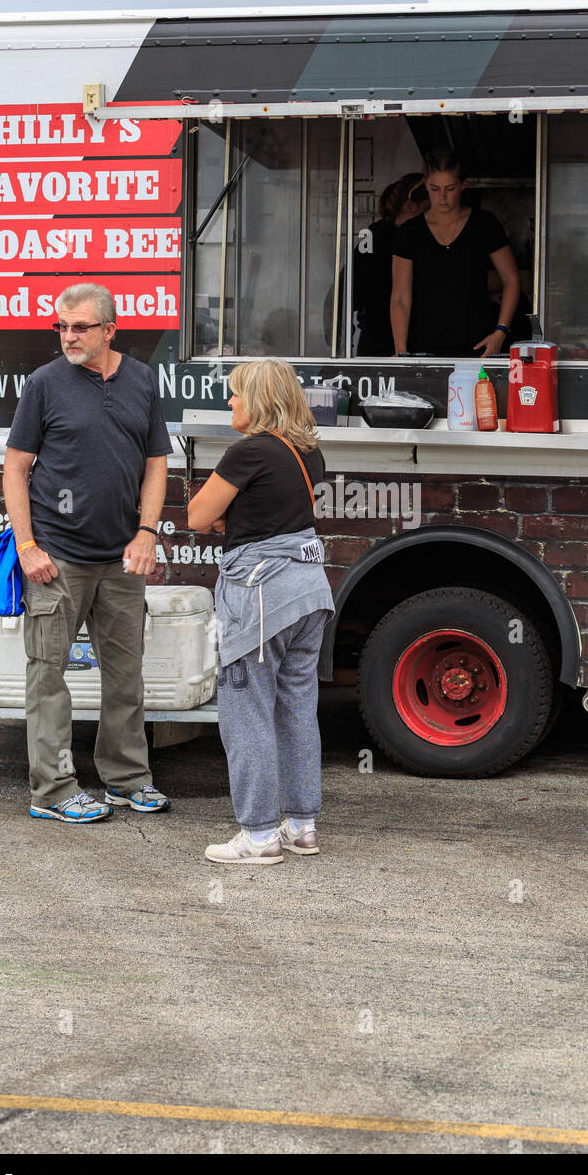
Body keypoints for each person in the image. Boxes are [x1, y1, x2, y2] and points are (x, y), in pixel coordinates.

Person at [3, 283, 172, 823]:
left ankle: (126, 780)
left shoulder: (141, 380)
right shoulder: (44, 385)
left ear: (110, 330)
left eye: (80, 327)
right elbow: (15, 467)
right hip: (56, 557)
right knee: (47, 674)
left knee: (126, 674)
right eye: (62, 326)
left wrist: (147, 532)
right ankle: (52, 791)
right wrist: (27, 545)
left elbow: (155, 464)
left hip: (121, 557)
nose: (69, 336)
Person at [187, 359, 335, 866]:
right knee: (296, 708)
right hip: (309, 593)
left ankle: (257, 835)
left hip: (260, 597)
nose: (230, 403)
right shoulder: (308, 453)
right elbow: (285, 511)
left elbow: (198, 517)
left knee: (245, 713)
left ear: (260, 399)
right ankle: (302, 825)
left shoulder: (247, 452)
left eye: (236, 395)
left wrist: (223, 511)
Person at [390, 148, 522, 358]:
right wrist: (401, 350)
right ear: (425, 185)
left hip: (478, 346)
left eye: (450, 188)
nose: (442, 197)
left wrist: (501, 331)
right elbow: (400, 297)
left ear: (463, 185)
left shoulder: (484, 224)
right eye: (434, 189)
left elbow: (511, 279)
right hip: (422, 348)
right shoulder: (409, 233)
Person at [353, 173, 428, 355]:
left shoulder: (371, 236)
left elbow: (344, 292)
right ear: (410, 206)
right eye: (429, 210)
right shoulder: (381, 239)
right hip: (393, 342)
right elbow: (345, 293)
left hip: (374, 342)